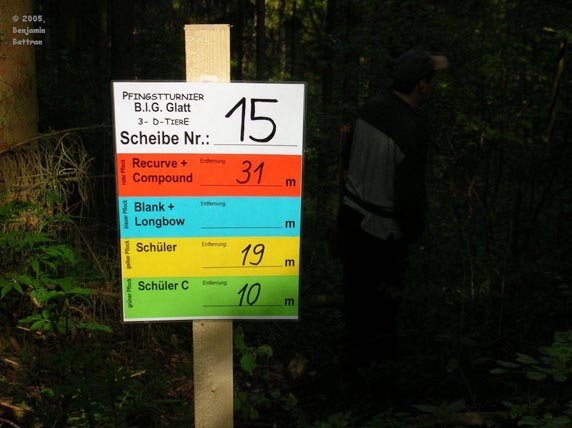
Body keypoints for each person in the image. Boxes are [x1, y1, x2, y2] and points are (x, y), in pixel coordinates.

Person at [338, 49, 448, 372]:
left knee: (355, 297)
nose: (433, 87)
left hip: (351, 217)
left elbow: (345, 159)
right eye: (431, 81)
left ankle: (353, 363)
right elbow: (409, 193)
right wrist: (413, 232)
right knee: (383, 305)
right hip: (383, 232)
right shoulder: (412, 128)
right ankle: (375, 372)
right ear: (421, 85)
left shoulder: (369, 108)